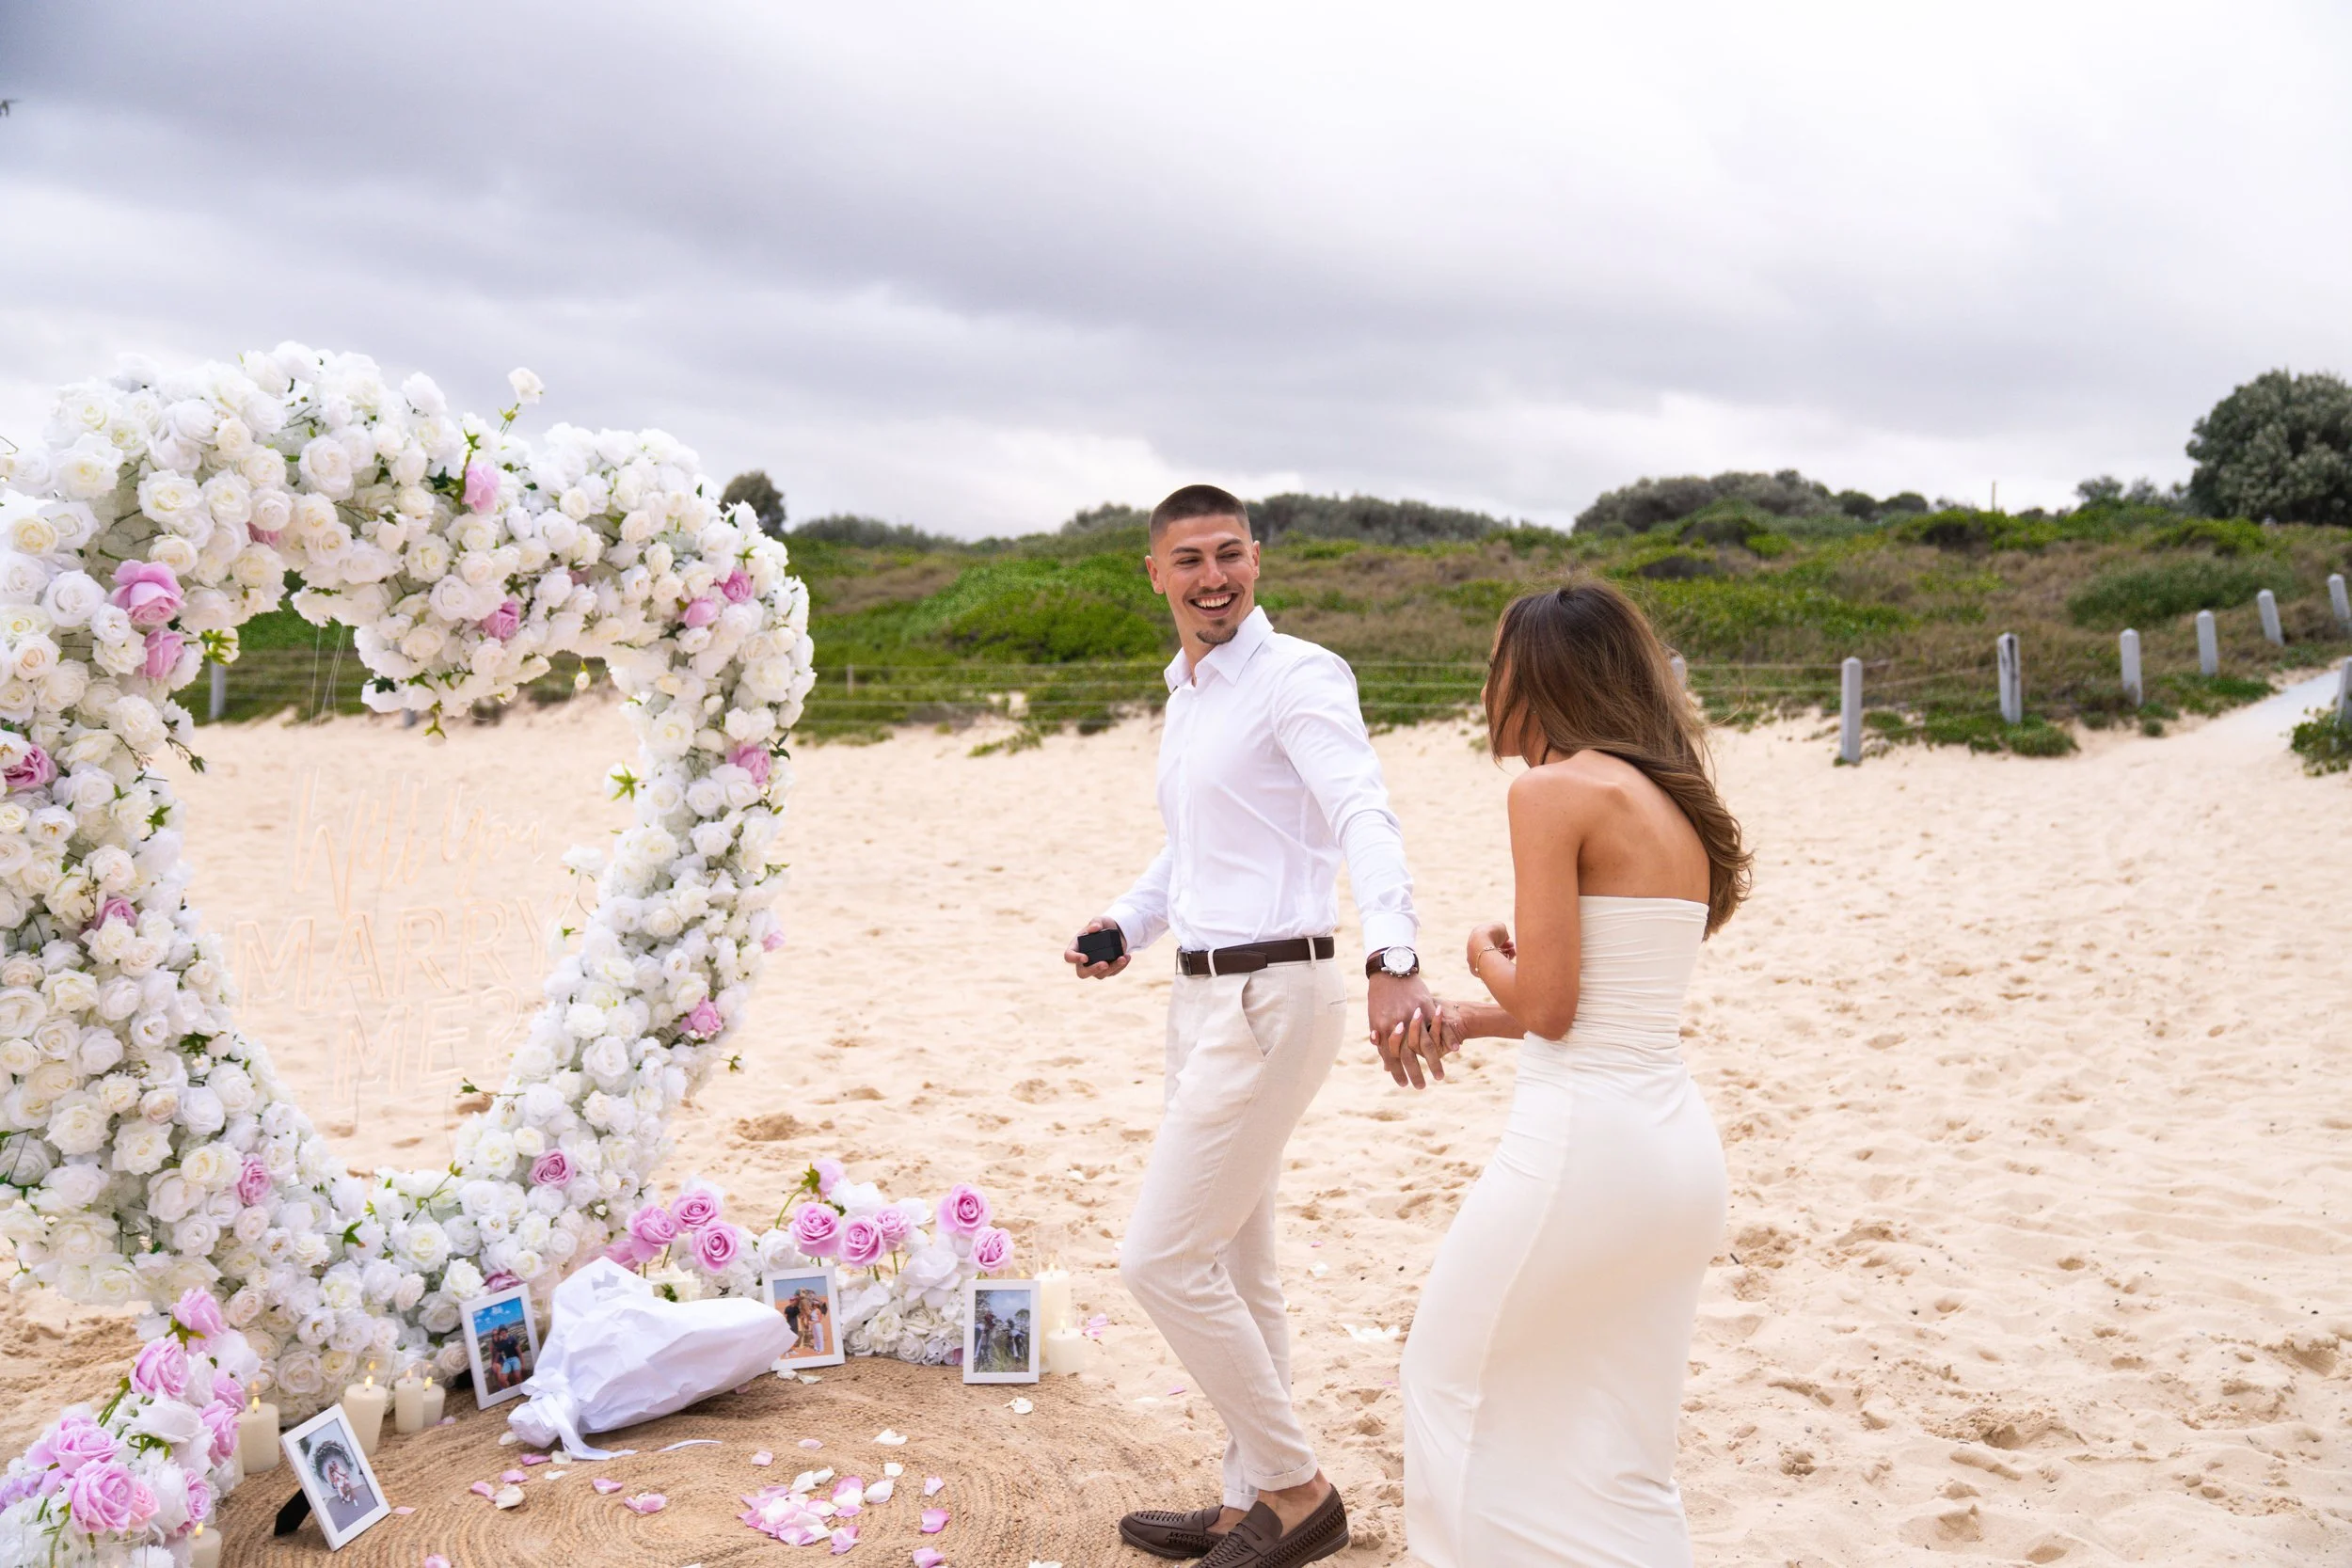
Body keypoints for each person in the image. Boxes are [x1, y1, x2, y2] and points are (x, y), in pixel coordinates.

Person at [1066, 484, 1446, 1568]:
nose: (1211, 576)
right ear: (1155, 573)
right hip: (1196, 994)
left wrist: (1396, 955)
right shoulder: (1185, 692)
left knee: (1157, 1257)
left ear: (1258, 558)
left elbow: (1362, 814)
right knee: (1238, 1267)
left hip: (1278, 993)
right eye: (1188, 559)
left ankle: (1297, 1486)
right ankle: (1247, 1503)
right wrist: (1125, 922)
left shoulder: (1298, 675)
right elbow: (1190, 844)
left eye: (1228, 553)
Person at [1396, 580, 1749, 1567]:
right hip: (1673, 1153)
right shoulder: (1670, 800)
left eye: (1495, 662)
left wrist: (1477, 950)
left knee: (1448, 1380)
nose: (1483, 683)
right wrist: (1469, 1019)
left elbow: (1550, 1004)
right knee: (1623, 1444)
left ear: (1539, 675)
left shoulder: (1549, 792)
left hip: (1582, 1148)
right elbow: (1607, 1004)